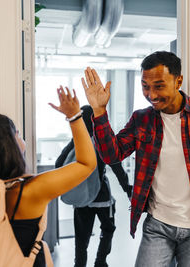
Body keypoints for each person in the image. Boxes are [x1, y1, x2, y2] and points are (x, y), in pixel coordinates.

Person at [81, 51, 190, 267]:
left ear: (178, 81)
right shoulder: (141, 119)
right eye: (145, 86)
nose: (151, 94)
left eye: (159, 86)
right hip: (158, 225)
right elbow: (111, 154)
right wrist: (99, 111)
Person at [0, 86, 97, 267]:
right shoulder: (28, 191)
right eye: (18, 134)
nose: (23, 140)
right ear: (7, 146)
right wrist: (74, 116)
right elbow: (86, 163)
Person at [55, 105, 132, 267]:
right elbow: (117, 167)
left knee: (81, 237)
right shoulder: (102, 141)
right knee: (108, 229)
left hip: (81, 197)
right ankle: (100, 262)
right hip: (102, 196)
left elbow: (59, 163)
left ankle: (79, 265)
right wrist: (128, 190)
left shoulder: (77, 141)